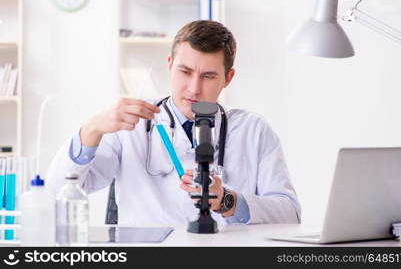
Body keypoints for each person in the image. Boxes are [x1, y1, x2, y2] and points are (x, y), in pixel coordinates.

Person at [47, 20, 301, 226]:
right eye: (185, 72)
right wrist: (92, 129)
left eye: (209, 76)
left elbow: (290, 213)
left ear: (228, 78)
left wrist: (228, 201)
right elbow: (59, 191)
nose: (194, 88)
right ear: (169, 66)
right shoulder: (132, 122)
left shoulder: (253, 130)